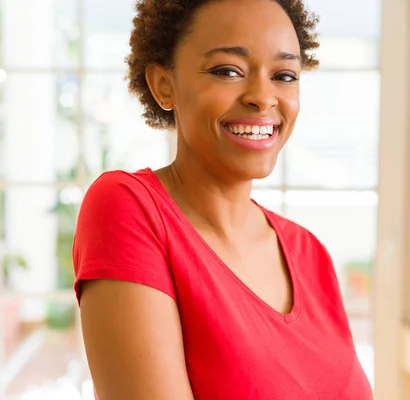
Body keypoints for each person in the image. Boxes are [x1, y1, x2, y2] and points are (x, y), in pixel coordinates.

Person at [73, 0, 374, 398]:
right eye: (228, 71)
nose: (263, 97)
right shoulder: (129, 208)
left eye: (284, 75)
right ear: (164, 84)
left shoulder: (309, 253)